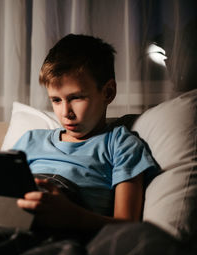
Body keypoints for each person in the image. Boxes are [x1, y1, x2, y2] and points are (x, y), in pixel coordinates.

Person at [13, 34, 158, 234]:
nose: (66, 113)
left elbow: (128, 226)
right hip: (11, 221)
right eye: (56, 100)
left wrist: (71, 216)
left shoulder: (121, 145)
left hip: (59, 232)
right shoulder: (30, 140)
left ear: (108, 92)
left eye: (77, 98)